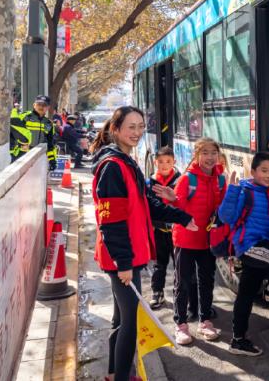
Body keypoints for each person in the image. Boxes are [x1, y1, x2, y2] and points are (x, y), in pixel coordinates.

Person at [90, 106, 199, 381]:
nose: (137, 132)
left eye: (140, 126)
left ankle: (116, 374)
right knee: (131, 323)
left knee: (121, 320)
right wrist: (124, 264)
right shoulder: (113, 167)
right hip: (123, 259)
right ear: (115, 129)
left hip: (129, 255)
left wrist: (181, 217)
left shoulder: (126, 161)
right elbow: (111, 222)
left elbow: (146, 203)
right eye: (131, 127)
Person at [218, 151, 269, 356]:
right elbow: (225, 216)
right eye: (264, 171)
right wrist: (232, 190)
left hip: (262, 245)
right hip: (249, 246)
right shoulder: (244, 190)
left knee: (245, 295)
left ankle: (238, 340)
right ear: (253, 171)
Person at [171, 137, 226, 345]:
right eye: (205, 153)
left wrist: (234, 191)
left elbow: (222, 211)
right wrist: (170, 197)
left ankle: (205, 321)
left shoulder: (221, 179)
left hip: (207, 240)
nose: (210, 157)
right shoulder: (187, 179)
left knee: (207, 282)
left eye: (213, 153)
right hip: (185, 240)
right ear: (197, 155)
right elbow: (176, 208)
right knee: (182, 283)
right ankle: (181, 325)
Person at [147, 146, 184, 310]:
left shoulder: (180, 180)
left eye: (168, 161)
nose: (164, 165)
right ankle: (157, 293)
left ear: (174, 162)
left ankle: (181, 295)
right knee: (158, 264)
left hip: (177, 232)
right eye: (161, 161)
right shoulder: (149, 182)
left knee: (180, 265)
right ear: (155, 162)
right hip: (158, 231)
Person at [10, 95, 57, 169]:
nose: (41, 107)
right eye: (39, 104)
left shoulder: (49, 123)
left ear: (48, 107)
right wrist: (12, 152)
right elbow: (12, 134)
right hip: (21, 156)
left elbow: (50, 145)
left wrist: (52, 160)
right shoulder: (24, 117)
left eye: (44, 105)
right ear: (34, 105)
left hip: (38, 158)